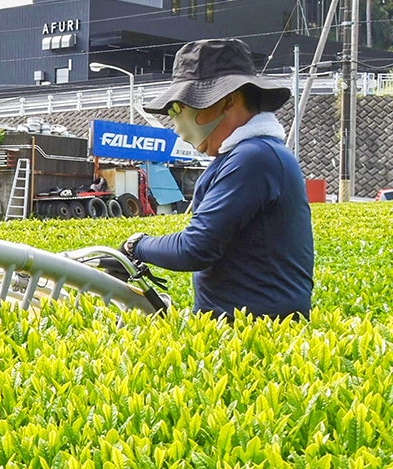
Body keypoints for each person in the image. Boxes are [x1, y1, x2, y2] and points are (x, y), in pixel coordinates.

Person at [118, 38, 314, 319]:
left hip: (254, 336)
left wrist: (135, 245)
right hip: (240, 328)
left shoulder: (254, 158)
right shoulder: (253, 155)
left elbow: (195, 248)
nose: (177, 126)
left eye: (178, 110)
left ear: (228, 100)